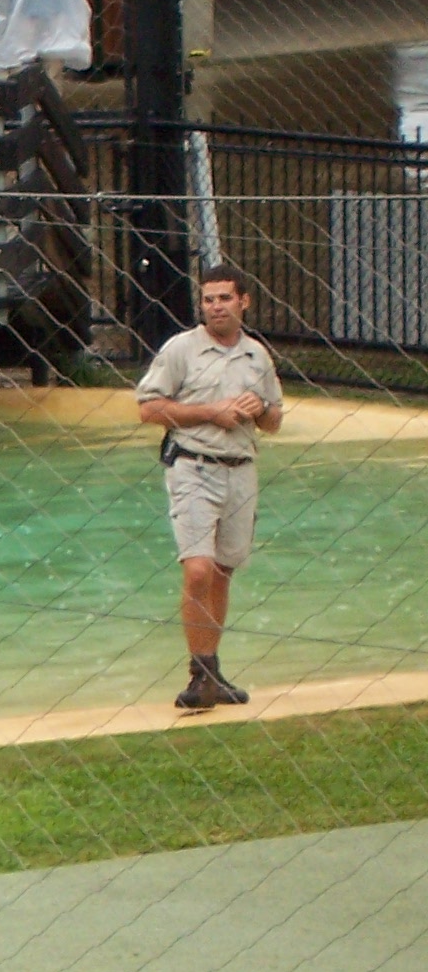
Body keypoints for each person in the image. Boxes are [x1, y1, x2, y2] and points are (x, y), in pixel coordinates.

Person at [136, 264, 284, 710]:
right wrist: (210, 413)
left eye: (224, 298)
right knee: (197, 569)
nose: (215, 306)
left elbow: (275, 421)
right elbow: (148, 408)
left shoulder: (258, 355)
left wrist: (259, 408)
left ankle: (211, 671)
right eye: (208, 299)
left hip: (241, 468)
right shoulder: (181, 349)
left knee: (222, 571)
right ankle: (197, 673)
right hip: (193, 466)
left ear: (244, 301)